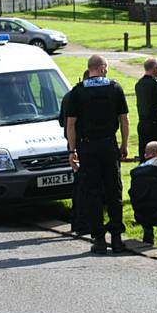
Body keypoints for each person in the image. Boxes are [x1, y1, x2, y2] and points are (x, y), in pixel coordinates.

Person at [66, 55, 129, 254]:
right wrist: (124, 144)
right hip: (109, 144)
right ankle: (117, 238)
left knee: (92, 192)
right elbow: (124, 119)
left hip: (88, 147)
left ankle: (99, 239)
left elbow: (71, 124)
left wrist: (72, 149)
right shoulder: (115, 88)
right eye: (107, 67)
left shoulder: (78, 92)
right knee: (114, 190)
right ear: (102, 68)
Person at [59, 70, 91, 235]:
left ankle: (77, 221)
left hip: (72, 144)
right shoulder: (81, 96)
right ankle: (82, 222)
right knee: (84, 185)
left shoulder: (68, 96)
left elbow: (61, 122)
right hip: (81, 144)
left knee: (79, 184)